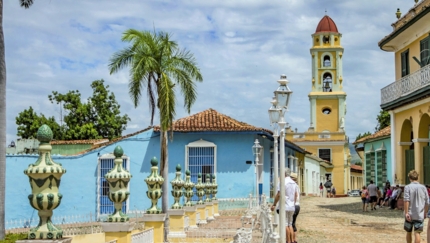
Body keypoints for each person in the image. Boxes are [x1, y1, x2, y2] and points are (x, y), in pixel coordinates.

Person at [271, 168, 298, 243]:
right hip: (292, 206)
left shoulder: (282, 182)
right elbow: (296, 195)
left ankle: (288, 240)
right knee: (290, 224)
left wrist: (274, 204)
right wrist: (293, 203)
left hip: (284, 206)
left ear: (284, 173)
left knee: (285, 224)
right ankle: (292, 240)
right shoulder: (293, 183)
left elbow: (279, 194)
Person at [403, 170, 428, 243]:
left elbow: (406, 200)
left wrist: (406, 212)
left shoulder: (407, 187)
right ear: (417, 177)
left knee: (408, 232)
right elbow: (427, 202)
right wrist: (425, 212)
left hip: (410, 214)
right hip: (419, 214)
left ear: (410, 178)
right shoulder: (423, 187)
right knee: (417, 232)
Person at [291, 172, 300, 243]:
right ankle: (294, 239)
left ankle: (292, 240)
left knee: (290, 224)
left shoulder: (293, 186)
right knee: (293, 223)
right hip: (297, 205)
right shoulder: (297, 186)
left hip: (294, 205)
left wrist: (292, 204)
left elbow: (295, 195)